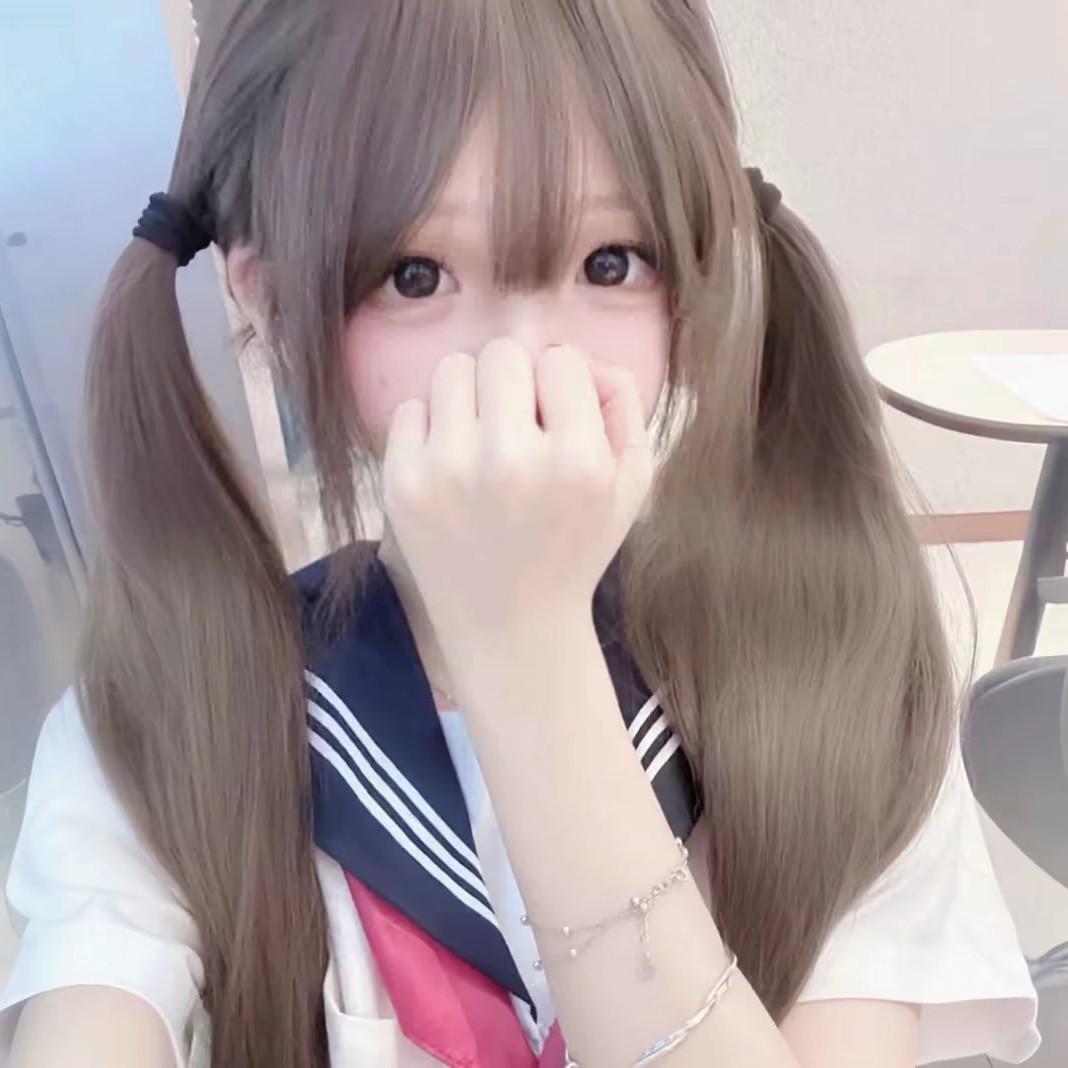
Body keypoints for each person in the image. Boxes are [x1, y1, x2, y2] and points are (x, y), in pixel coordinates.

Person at [0, 2, 1041, 1066]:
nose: (525, 368)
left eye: (611, 262)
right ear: (267, 300)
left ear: (695, 274)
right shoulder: (170, 723)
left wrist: (526, 649)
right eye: (416, 276)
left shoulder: (837, 687)